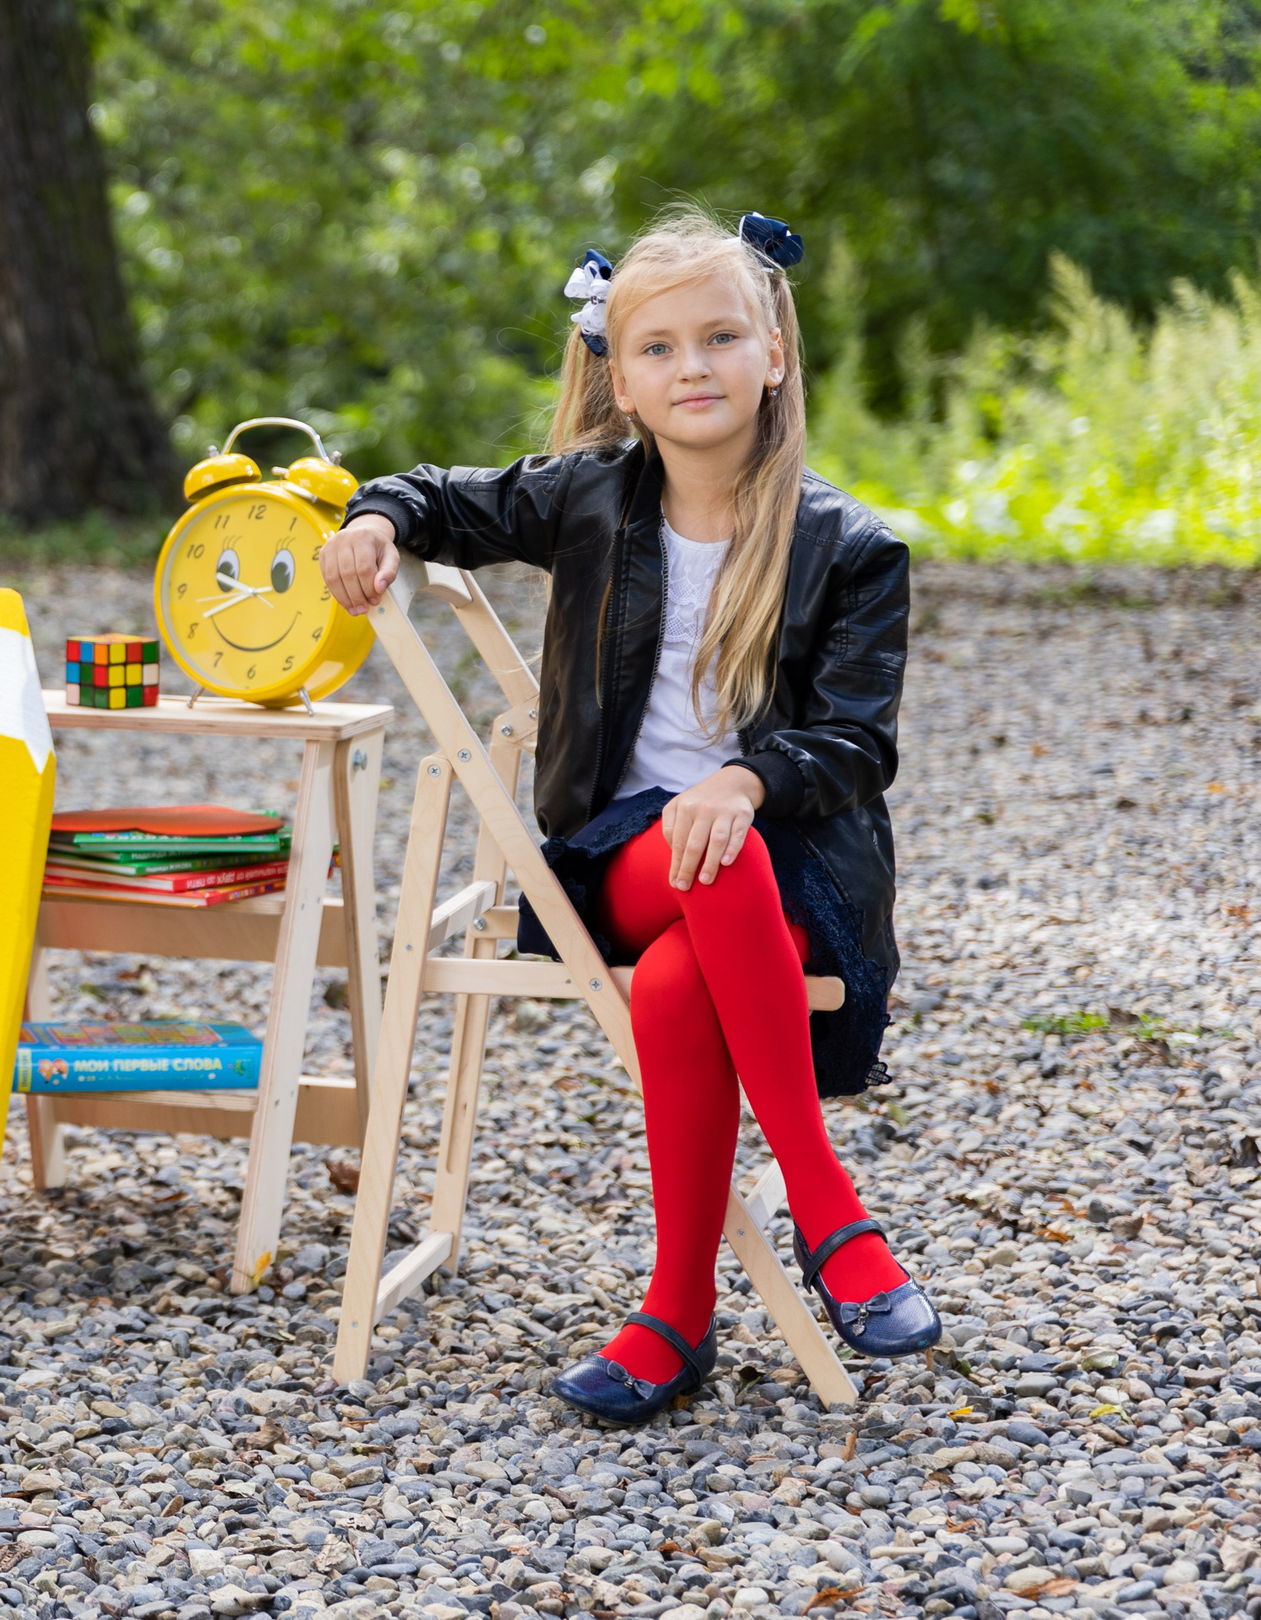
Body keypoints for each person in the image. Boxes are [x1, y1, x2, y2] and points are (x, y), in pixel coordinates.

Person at [319, 209, 941, 1425]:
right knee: (705, 862)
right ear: (620, 374)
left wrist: (747, 778)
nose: (691, 367)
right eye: (657, 348)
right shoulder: (590, 499)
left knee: (675, 978)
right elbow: (430, 492)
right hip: (618, 861)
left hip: (786, 871)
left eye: (719, 337)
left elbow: (858, 742)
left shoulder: (851, 547)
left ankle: (674, 1316)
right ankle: (827, 1207)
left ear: (774, 353)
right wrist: (376, 520)